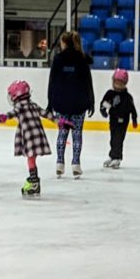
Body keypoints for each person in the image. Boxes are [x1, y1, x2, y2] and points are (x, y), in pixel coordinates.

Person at [0, 79, 67, 198]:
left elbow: (12, 114)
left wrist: (2, 117)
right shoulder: (33, 104)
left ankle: (34, 182)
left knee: (30, 159)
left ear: (16, 95)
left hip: (30, 137)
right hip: (37, 135)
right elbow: (47, 114)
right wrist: (60, 122)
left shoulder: (20, 106)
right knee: (32, 159)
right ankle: (33, 180)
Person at [47, 31, 94, 179]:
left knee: (62, 132)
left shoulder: (58, 59)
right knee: (77, 133)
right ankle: (76, 164)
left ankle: (59, 163)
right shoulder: (82, 59)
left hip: (61, 102)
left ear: (64, 42)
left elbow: (52, 82)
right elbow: (88, 82)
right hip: (79, 102)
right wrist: (91, 101)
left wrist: (50, 102)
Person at [99, 68, 138, 169]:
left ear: (124, 83)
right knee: (112, 139)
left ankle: (118, 157)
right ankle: (112, 156)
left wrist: (134, 119)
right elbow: (105, 103)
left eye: (120, 83)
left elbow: (132, 109)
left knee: (119, 139)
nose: (117, 85)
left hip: (123, 121)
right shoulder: (110, 94)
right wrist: (103, 110)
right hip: (113, 120)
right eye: (115, 82)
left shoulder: (127, 97)